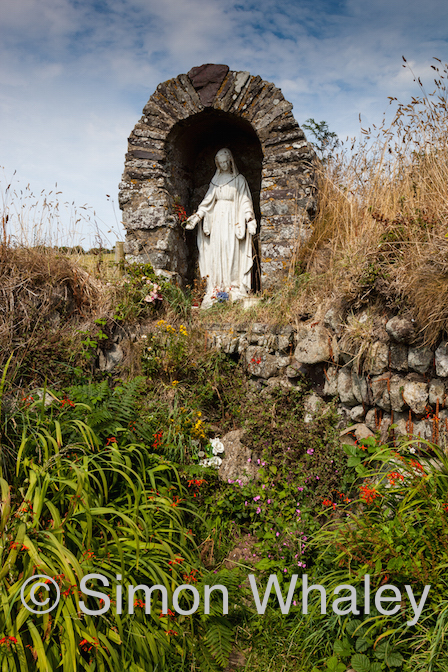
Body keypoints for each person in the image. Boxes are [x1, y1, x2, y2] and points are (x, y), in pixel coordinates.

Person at [185, 148, 257, 308]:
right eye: (221, 163)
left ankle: (233, 286)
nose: (224, 165)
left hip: (233, 218)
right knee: (217, 251)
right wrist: (197, 217)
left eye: (226, 162)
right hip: (218, 219)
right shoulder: (215, 181)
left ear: (230, 162)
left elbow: (245, 201)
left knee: (232, 250)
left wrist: (249, 219)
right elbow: (207, 202)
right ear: (217, 164)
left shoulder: (239, 179)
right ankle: (218, 288)